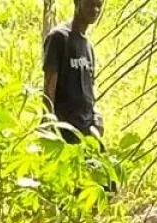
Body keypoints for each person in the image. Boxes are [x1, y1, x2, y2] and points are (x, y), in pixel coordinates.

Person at [44, 0, 103, 142]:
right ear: (77, 3)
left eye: (99, 5)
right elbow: (49, 87)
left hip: (87, 130)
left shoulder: (88, 46)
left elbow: (88, 90)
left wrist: (95, 115)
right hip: (64, 129)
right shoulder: (59, 38)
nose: (95, 9)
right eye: (90, 4)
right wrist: (48, 124)